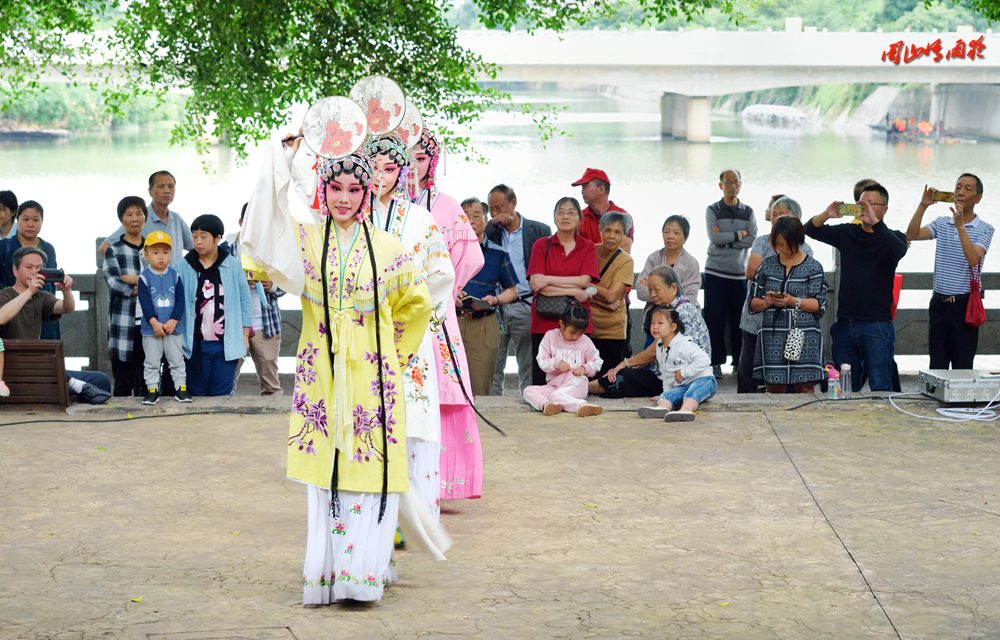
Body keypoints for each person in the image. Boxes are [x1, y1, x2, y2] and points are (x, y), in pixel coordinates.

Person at [240, 134, 435, 604]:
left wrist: (391, 353)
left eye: (353, 189)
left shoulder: (389, 248)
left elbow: (418, 306)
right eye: (335, 189)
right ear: (322, 192)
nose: (344, 198)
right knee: (326, 468)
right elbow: (260, 232)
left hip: (373, 376)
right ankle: (327, 574)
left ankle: (364, 574)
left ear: (367, 193)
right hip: (321, 374)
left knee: (369, 469)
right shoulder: (304, 244)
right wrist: (283, 159)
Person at [368, 131, 457, 519]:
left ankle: (414, 514)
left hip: (409, 331)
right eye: (373, 166)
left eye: (389, 167)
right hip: (364, 329)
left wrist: (406, 302)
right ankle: (374, 510)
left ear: (402, 171)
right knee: (368, 418)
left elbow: (441, 273)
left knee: (412, 420)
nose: (380, 174)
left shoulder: (419, 218)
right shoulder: (353, 213)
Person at [410, 128, 486, 505]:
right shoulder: (378, 203)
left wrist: (448, 285)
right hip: (397, 308)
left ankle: (445, 483)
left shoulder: (448, 206)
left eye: (420, 158)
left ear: (432, 162)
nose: (412, 166)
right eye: (405, 159)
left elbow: (472, 257)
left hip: (435, 309)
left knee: (444, 392)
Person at [805, 184, 907, 392]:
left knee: (880, 382)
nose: (865, 208)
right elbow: (810, 230)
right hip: (845, 322)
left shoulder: (893, 236)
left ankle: (885, 423)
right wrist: (827, 214)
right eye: (861, 204)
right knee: (845, 385)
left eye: (871, 204)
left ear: (884, 209)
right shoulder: (847, 232)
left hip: (877, 324)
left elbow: (898, 251)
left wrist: (875, 224)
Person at [0, 246, 111, 404]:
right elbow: (1, 318)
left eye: (39, 268)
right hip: (12, 371)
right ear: (15, 270)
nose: (34, 272)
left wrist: (66, 291)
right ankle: (74, 386)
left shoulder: (41, 297)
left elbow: (67, 308)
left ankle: (77, 392)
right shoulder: (5, 295)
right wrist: (28, 292)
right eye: (29, 267)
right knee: (55, 368)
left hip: (40, 369)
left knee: (101, 380)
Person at [906, 174, 994, 370]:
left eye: (968, 189)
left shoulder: (985, 229)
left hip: (963, 306)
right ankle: (938, 401)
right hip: (939, 303)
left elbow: (973, 259)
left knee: (963, 364)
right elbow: (911, 235)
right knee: (937, 363)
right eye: (958, 187)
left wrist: (960, 226)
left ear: (978, 198)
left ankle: (960, 402)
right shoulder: (941, 222)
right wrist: (923, 205)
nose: (961, 192)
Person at [595, 265, 710, 398]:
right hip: (671, 377)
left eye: (657, 289)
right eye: (650, 290)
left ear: (673, 288)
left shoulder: (680, 312)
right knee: (623, 374)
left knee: (623, 376)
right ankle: (581, 387)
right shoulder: (676, 307)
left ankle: (582, 387)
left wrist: (624, 364)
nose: (653, 295)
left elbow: (653, 351)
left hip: (684, 379)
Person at [737, 196, 814, 394]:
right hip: (757, 317)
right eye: (773, 214)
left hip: (788, 320)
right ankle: (745, 403)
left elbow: (805, 283)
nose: (776, 219)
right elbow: (751, 271)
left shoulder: (806, 249)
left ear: (796, 219)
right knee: (748, 366)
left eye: (782, 214)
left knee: (784, 369)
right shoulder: (762, 242)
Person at [749, 217, 828, 393]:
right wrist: (765, 303)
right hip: (772, 334)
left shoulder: (813, 267)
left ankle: (806, 420)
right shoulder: (767, 266)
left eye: (788, 244)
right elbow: (752, 303)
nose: (783, 249)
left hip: (804, 334)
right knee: (773, 386)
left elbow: (819, 305)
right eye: (779, 245)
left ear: (799, 241)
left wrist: (793, 301)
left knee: (806, 386)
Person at [526, 197, 600, 386]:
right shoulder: (541, 245)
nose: (565, 216)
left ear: (580, 218)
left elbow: (585, 280)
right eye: (560, 211)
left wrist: (548, 279)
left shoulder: (588, 247)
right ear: (553, 217)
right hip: (544, 320)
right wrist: (575, 291)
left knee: (575, 378)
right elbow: (536, 285)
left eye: (571, 212)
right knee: (542, 379)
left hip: (577, 321)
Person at [485, 184, 551, 395]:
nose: (495, 214)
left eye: (498, 208)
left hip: (525, 303)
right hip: (496, 304)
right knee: (494, 359)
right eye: (490, 210)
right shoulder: (491, 233)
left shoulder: (539, 231)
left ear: (513, 203)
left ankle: (529, 398)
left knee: (527, 361)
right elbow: (474, 244)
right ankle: (492, 401)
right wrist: (489, 225)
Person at [176, 214, 251, 397]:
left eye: (204, 236)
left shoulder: (232, 266)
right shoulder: (182, 267)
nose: (198, 241)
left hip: (226, 343)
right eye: (194, 236)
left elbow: (244, 300)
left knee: (222, 394)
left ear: (218, 238)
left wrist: (245, 334)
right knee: (195, 394)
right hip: (193, 344)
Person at [456, 197, 519, 397]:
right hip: (453, 320)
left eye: (476, 215)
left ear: (486, 219)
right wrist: (451, 292)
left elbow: (512, 291)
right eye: (465, 216)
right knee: (451, 383)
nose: (471, 220)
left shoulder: (497, 253)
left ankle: (479, 428)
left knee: (480, 386)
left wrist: (496, 299)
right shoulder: (449, 251)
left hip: (484, 323)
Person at [225, 204, 285, 397]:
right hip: (233, 325)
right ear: (241, 222)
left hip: (265, 324)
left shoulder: (274, 250)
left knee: (271, 383)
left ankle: (272, 422)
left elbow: (290, 282)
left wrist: (272, 285)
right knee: (226, 381)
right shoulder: (225, 249)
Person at [704, 169, 757, 378]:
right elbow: (713, 239)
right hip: (715, 272)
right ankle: (715, 363)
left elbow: (752, 239)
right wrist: (738, 235)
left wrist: (726, 239)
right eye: (728, 183)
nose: (732, 186)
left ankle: (738, 363)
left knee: (739, 320)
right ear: (720, 186)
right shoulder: (713, 210)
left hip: (739, 274)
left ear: (741, 185)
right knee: (714, 319)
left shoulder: (748, 212)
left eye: (736, 183)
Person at [137, 231, 191, 404]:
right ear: (146, 255)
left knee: (176, 360)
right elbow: (145, 303)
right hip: (151, 329)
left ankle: (180, 388)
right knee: (152, 361)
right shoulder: (144, 278)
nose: (161, 257)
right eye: (156, 252)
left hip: (173, 328)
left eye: (165, 252)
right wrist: (153, 322)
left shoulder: (175, 276)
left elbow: (181, 300)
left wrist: (174, 320)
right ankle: (152, 390)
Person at [103, 196, 148, 397]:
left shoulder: (153, 249)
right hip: (124, 324)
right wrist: (145, 284)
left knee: (148, 378)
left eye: (139, 213)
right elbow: (114, 283)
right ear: (122, 219)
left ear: (145, 217)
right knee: (123, 381)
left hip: (150, 323)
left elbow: (163, 282)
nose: (134, 218)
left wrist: (131, 279)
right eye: (129, 214)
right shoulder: (114, 251)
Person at [637, 307, 716, 422]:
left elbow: (705, 360)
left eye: (660, 323)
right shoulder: (660, 346)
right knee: (666, 396)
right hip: (682, 385)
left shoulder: (683, 344)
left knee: (691, 393)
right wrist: (666, 392)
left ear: (673, 327)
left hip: (703, 380)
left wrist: (684, 372)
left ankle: (686, 411)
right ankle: (661, 409)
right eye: (652, 323)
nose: (655, 326)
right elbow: (666, 374)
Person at [99, 171, 194, 266]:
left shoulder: (176, 219)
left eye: (171, 186)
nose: (167, 191)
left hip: (175, 279)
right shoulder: (140, 219)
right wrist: (125, 273)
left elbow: (195, 248)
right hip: (148, 280)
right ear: (150, 191)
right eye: (161, 186)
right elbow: (105, 247)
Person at [523, 305, 603, 417]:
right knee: (528, 390)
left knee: (556, 395)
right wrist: (557, 363)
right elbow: (541, 360)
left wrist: (584, 368)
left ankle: (582, 405)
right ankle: (546, 405)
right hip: (554, 385)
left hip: (576, 383)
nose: (575, 337)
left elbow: (597, 361)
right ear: (561, 324)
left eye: (580, 333)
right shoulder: (550, 336)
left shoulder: (586, 341)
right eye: (572, 332)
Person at [637, 215, 702, 348]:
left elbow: (689, 298)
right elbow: (640, 291)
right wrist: (669, 295)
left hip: (678, 325)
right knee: (649, 362)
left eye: (676, 232)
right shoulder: (653, 258)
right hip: (653, 323)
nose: (670, 236)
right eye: (666, 231)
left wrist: (655, 292)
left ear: (685, 237)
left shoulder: (691, 264)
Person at [0, 201, 61, 340]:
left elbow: (51, 282)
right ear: (17, 220)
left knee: (46, 351)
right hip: (12, 309)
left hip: (41, 308)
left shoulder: (48, 248)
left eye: (36, 220)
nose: (30, 224)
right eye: (25, 219)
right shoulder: (4, 246)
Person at [589, 211, 634, 379]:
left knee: (608, 382)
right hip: (585, 328)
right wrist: (603, 303)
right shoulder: (590, 251)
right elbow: (577, 290)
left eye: (618, 232)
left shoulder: (625, 261)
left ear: (624, 236)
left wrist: (588, 286)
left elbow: (611, 296)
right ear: (600, 231)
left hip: (611, 332)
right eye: (607, 230)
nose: (611, 236)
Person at [571, 168, 634, 253]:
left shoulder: (623, 216)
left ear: (601, 189)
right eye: (582, 187)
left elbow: (622, 252)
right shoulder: (580, 217)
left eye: (586, 186)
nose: (582, 191)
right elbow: (575, 251)